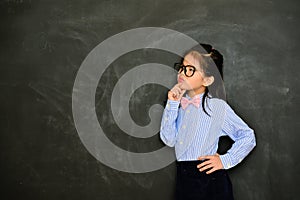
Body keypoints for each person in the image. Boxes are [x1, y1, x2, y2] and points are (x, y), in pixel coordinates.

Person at [159, 44, 256, 200]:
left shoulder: (216, 107)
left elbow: (247, 136)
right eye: (182, 67)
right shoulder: (180, 105)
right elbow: (169, 139)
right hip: (184, 178)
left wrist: (225, 160)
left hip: (209, 181)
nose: (182, 73)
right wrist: (172, 104)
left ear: (207, 80)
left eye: (190, 70)